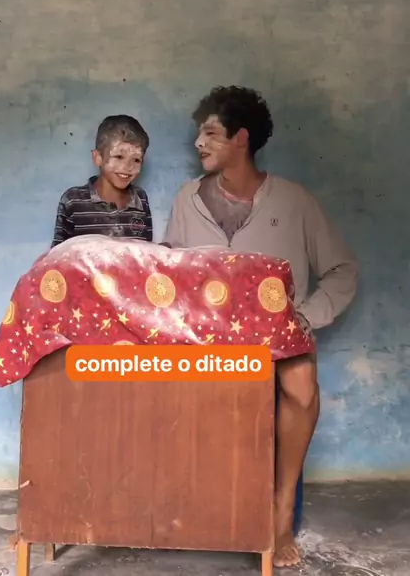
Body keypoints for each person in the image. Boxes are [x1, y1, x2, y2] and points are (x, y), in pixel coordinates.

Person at [162, 86, 358, 568]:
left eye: (211, 133)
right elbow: (170, 272)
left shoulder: (293, 201)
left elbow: (342, 271)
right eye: (199, 134)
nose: (199, 143)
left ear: (241, 139)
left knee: (301, 384)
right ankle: (197, 505)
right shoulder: (187, 199)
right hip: (207, 342)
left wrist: (303, 317)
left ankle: (280, 511)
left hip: (275, 340)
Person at [51, 114, 152, 247]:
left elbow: (146, 252)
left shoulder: (140, 199)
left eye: (136, 160)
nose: (128, 167)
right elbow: (58, 254)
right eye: (119, 157)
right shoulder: (73, 201)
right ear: (98, 158)